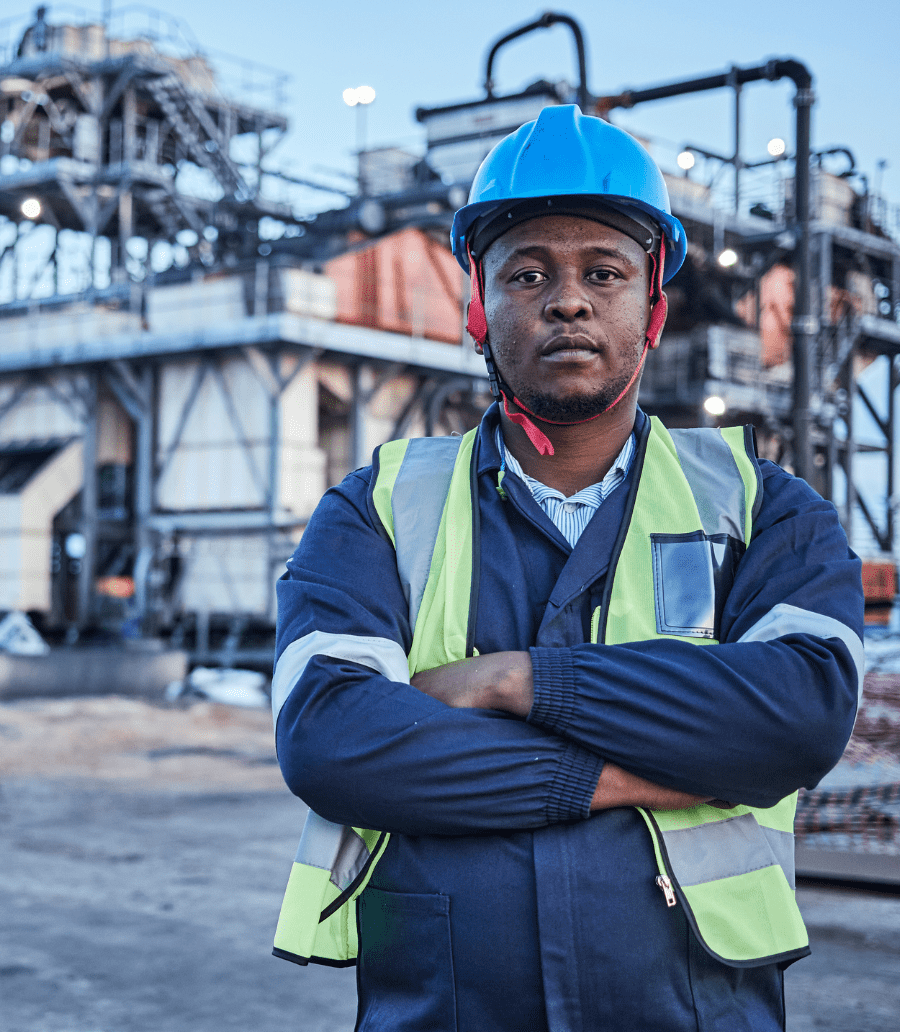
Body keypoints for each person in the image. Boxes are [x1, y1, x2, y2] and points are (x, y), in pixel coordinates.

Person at [269, 105, 864, 1031]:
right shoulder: (379, 508)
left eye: (604, 271)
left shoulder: (761, 507)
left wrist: (514, 681)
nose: (569, 300)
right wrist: (631, 773)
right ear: (479, 302)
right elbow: (332, 740)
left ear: (652, 302)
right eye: (528, 272)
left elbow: (800, 717)